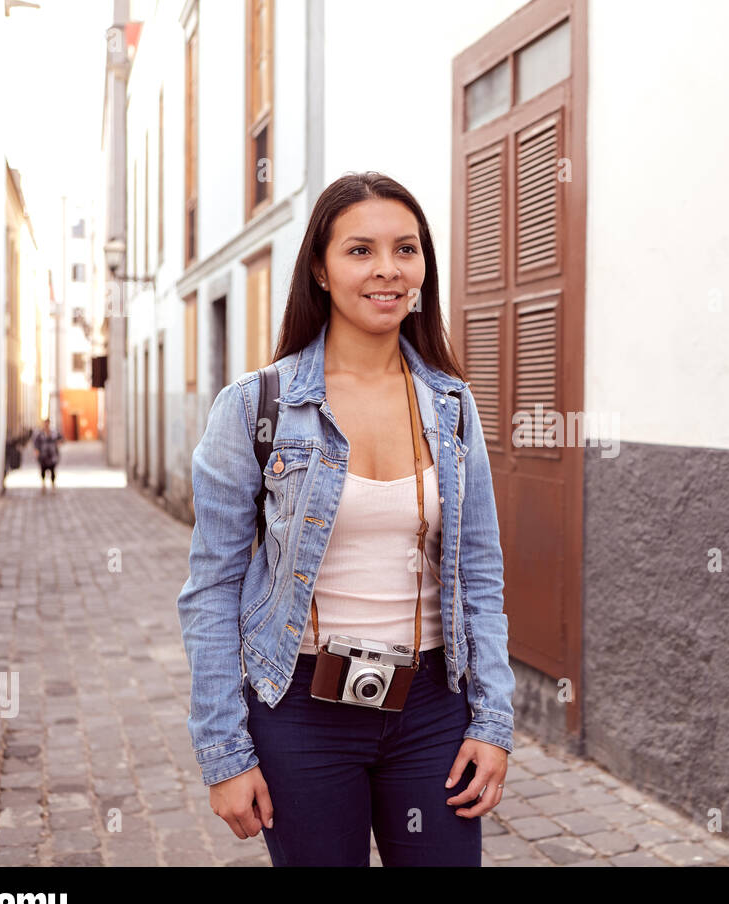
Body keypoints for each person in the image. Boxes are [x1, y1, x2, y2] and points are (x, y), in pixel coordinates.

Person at [177, 172, 515, 867]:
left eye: (406, 249)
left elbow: (480, 571)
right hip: (302, 712)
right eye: (360, 250)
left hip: (431, 710)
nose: (388, 270)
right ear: (320, 272)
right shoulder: (253, 408)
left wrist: (493, 721)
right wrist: (223, 753)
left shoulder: (452, 406)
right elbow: (210, 588)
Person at [32, 418, 63, 491]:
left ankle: (53, 485)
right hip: (43, 455)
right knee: (43, 470)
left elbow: (61, 439)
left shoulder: (54, 433)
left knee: (52, 470)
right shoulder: (40, 434)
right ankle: (43, 484)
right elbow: (36, 443)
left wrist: (58, 443)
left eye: (48, 423)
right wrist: (36, 451)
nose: (46, 425)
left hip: (52, 455)